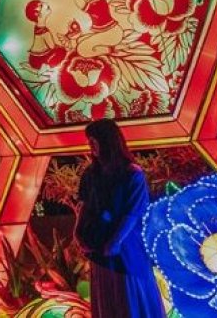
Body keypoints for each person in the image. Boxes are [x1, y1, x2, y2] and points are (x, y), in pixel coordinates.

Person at [74, 119, 165, 318]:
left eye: (94, 142)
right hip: (99, 245)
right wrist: (78, 233)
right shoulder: (91, 174)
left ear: (107, 142)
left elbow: (132, 213)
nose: (91, 147)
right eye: (90, 142)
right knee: (107, 294)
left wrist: (114, 242)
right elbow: (85, 205)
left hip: (126, 249)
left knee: (128, 293)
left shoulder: (132, 174)